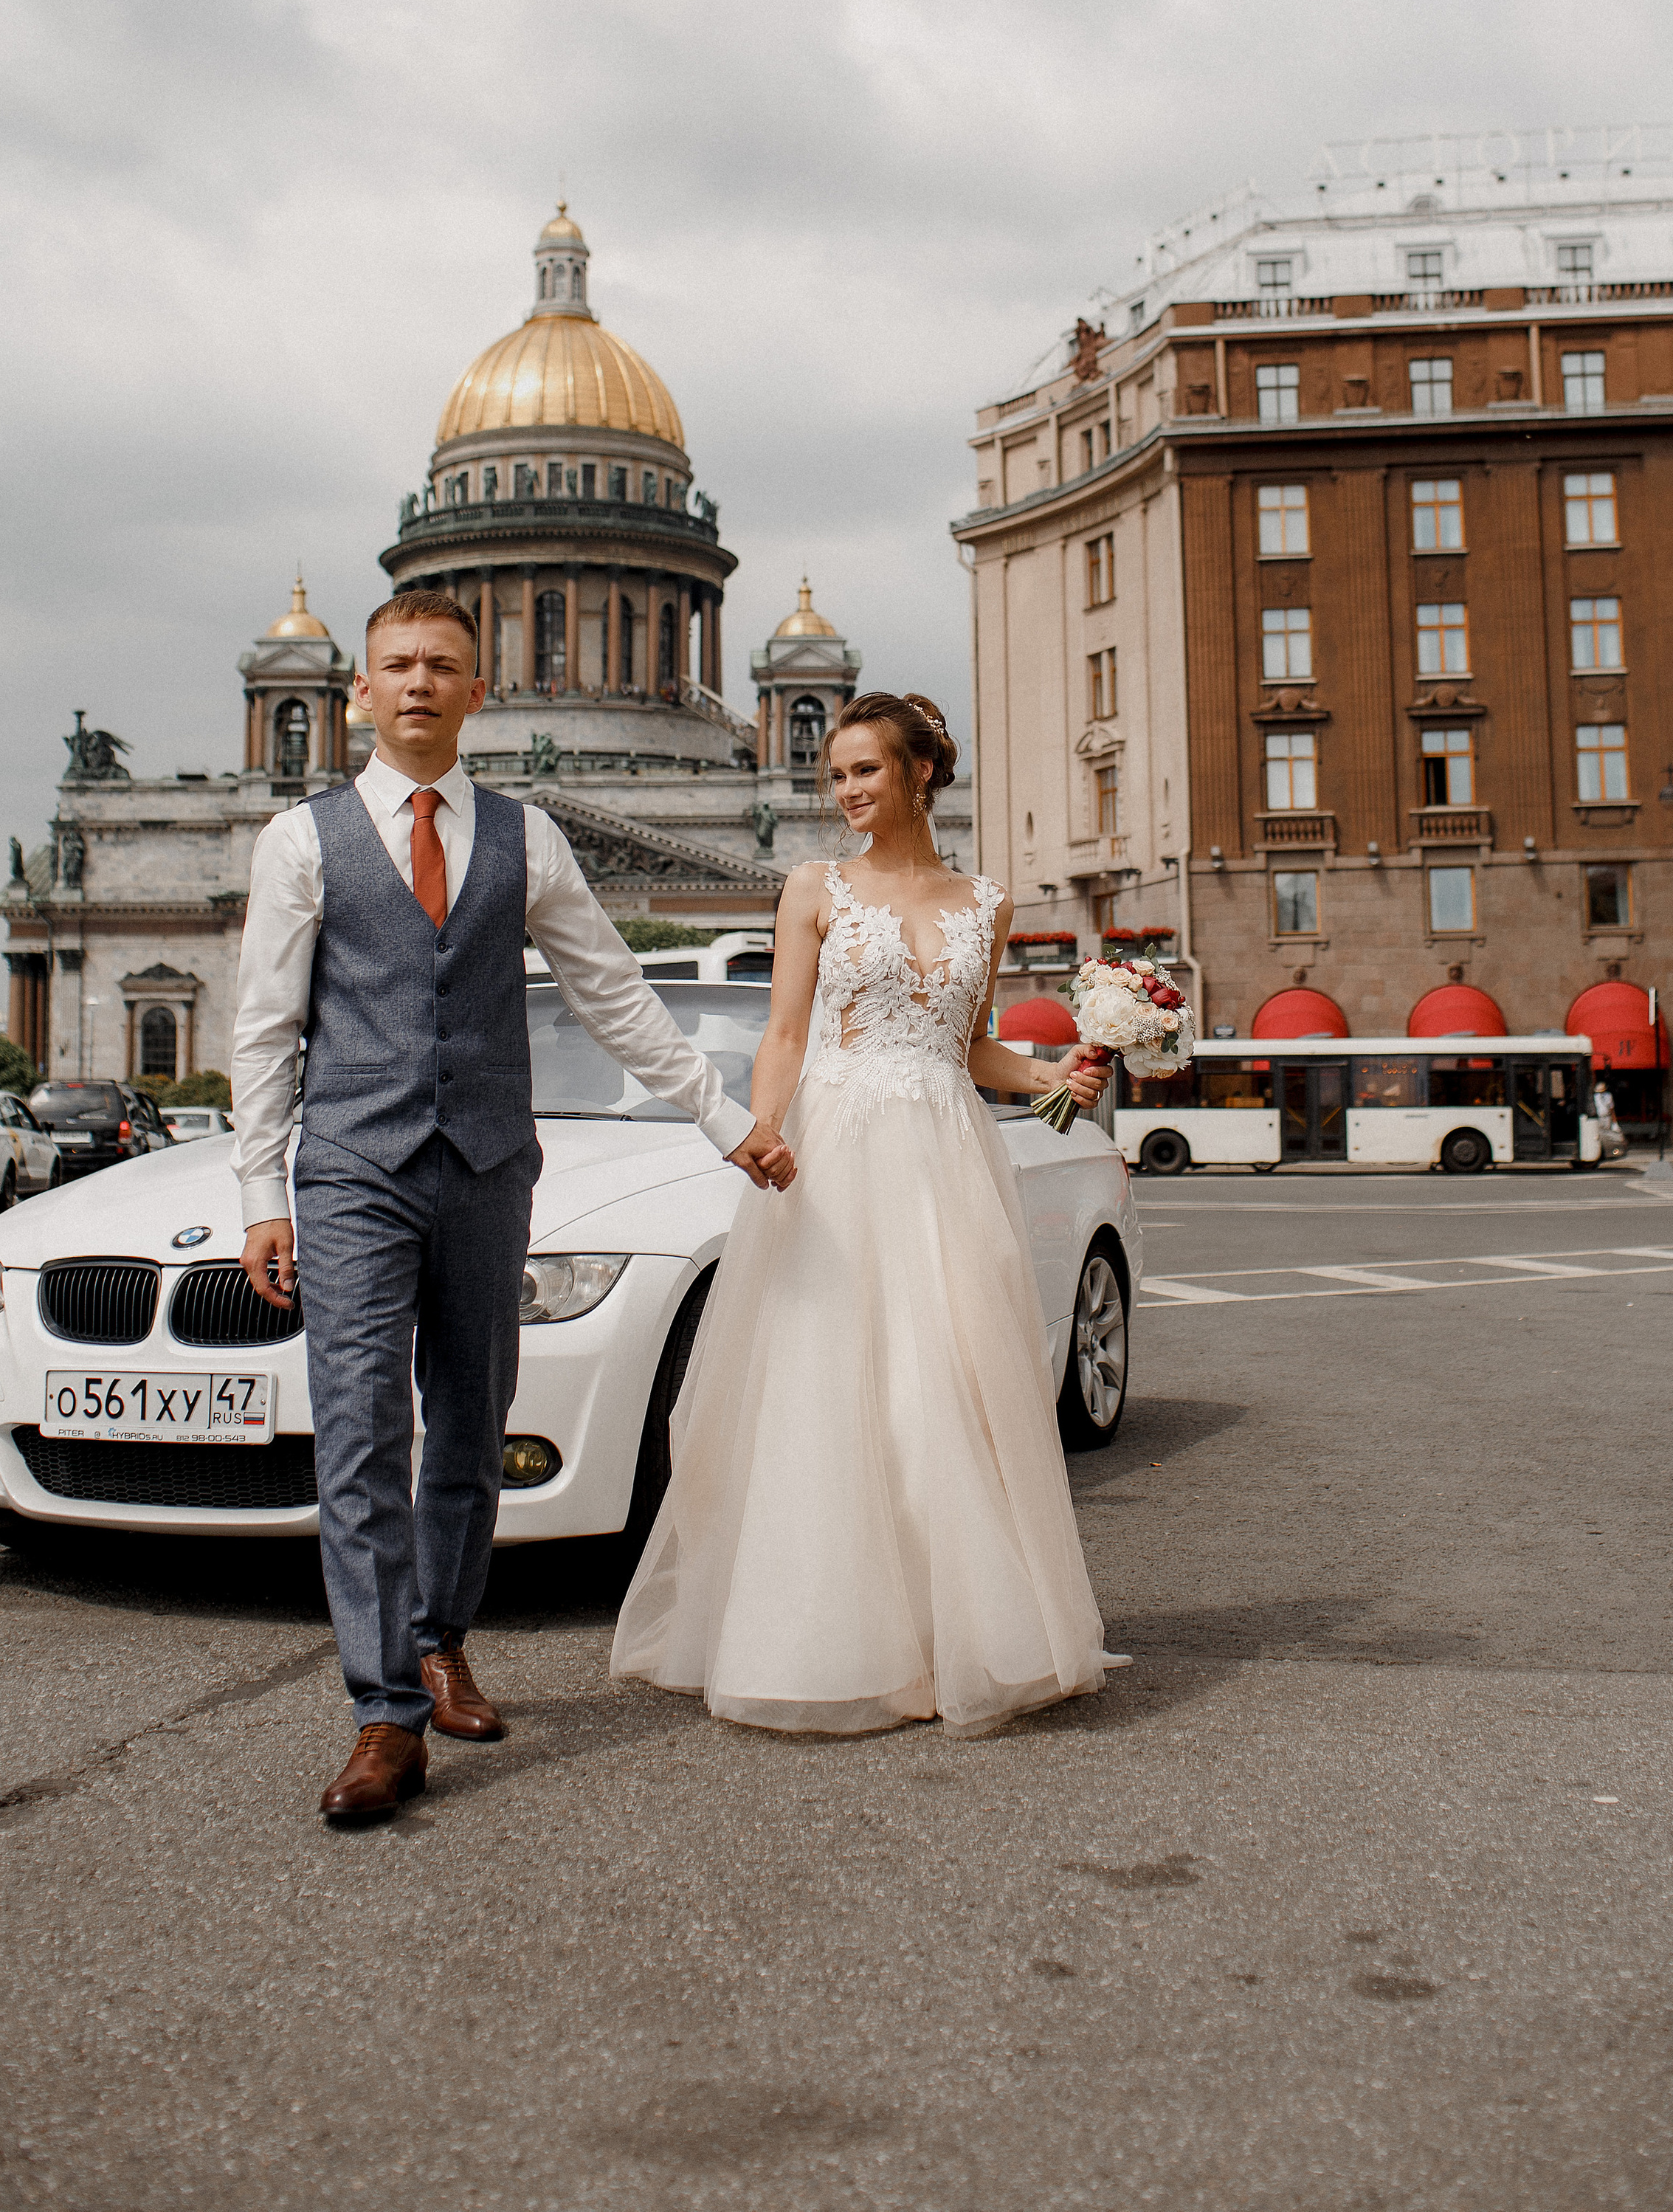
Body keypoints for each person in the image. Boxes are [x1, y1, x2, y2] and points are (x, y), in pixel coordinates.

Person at [232, 593, 794, 1826]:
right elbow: (267, 1028)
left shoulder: (528, 839)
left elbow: (616, 996)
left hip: (486, 1168)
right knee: (363, 1431)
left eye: (444, 665)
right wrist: (259, 1192)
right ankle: (386, 1714)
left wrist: (725, 1120)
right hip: (351, 1170)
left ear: (479, 691)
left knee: (473, 1427)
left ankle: (442, 1641)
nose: (421, 682)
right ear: (360, 695)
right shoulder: (299, 841)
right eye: (398, 666)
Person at [613, 689, 1120, 1736]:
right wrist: (761, 1127)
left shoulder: (989, 901)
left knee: (948, 1381)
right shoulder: (813, 888)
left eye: (866, 771)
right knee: (827, 1383)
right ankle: (825, 1640)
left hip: (945, 1148)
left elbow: (969, 1045)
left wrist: (1057, 1082)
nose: (846, 792)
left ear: (920, 772)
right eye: (835, 775)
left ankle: (959, 1640)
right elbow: (789, 1034)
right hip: (836, 1147)